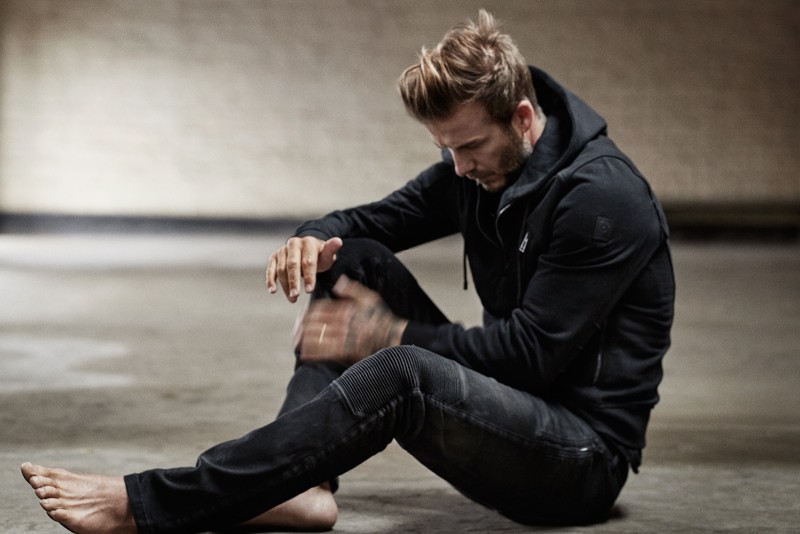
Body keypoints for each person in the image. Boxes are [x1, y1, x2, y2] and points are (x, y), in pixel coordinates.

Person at [21, 9, 675, 533]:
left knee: (399, 370)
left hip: (577, 461)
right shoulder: (478, 167)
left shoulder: (602, 200)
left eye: (470, 146)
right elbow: (372, 222)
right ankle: (301, 486)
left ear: (524, 119)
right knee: (355, 262)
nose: (458, 167)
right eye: (445, 149)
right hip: (515, 413)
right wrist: (313, 238)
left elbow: (530, 357)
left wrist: (386, 336)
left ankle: (152, 502)